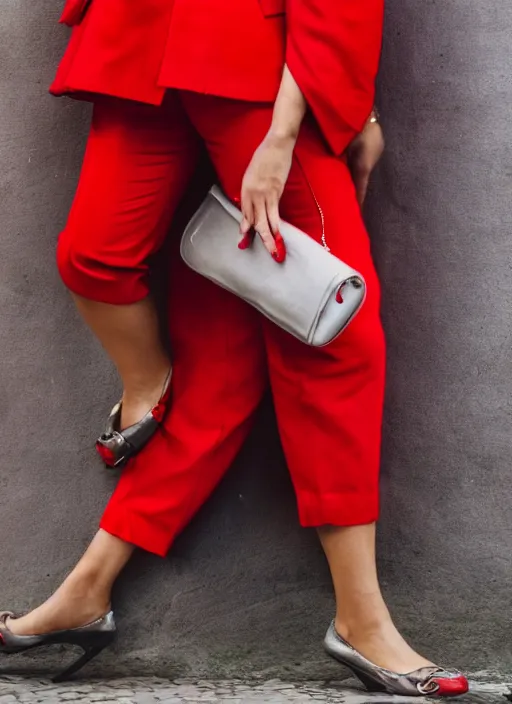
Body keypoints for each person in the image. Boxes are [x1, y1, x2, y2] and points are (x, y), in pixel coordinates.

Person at [0, 0, 469, 696]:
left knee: (332, 332)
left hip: (263, 65)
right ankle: (90, 586)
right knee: (99, 260)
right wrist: (143, 372)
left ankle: (362, 620)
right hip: (144, 38)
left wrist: (288, 133)